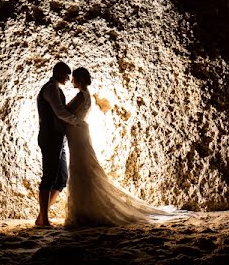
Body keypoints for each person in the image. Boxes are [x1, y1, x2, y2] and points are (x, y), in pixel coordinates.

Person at [63, 67, 179, 226]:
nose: (71, 80)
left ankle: (85, 211)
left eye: (74, 77)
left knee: (81, 170)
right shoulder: (86, 95)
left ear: (80, 79)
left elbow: (64, 111)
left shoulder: (80, 96)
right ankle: (86, 210)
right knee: (84, 170)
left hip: (78, 135)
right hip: (79, 134)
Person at [35, 60, 85, 227]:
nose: (68, 78)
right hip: (50, 136)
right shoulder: (50, 89)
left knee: (62, 178)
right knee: (48, 176)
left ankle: (41, 216)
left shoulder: (55, 88)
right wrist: (77, 122)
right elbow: (60, 112)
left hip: (57, 136)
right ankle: (44, 220)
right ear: (57, 73)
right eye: (66, 74)